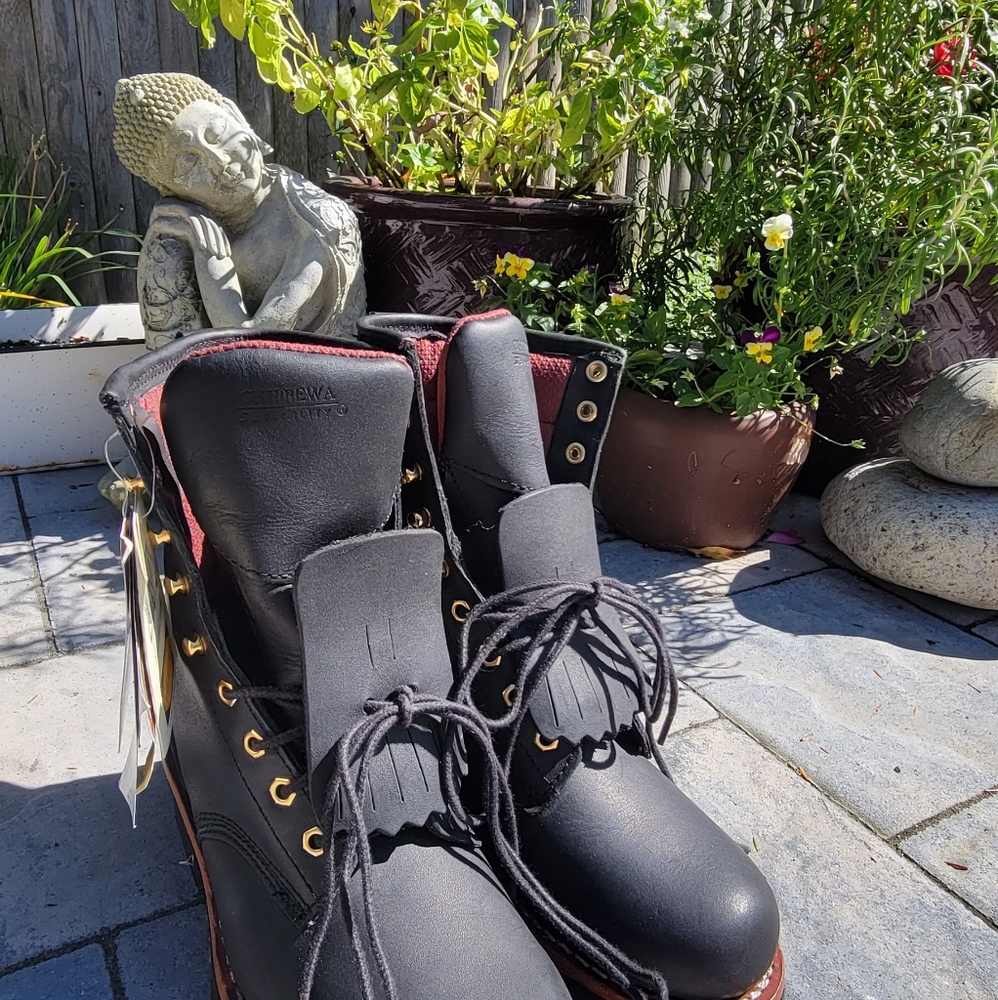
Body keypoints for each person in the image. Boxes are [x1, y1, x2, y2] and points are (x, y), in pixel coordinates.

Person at [112, 73, 365, 349]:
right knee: (164, 245)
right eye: (188, 164)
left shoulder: (318, 221)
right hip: (219, 384)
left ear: (235, 115)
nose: (218, 162)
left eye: (217, 134)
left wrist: (211, 258)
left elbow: (252, 347)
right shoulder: (181, 230)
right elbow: (167, 358)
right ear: (169, 189)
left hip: (318, 381)